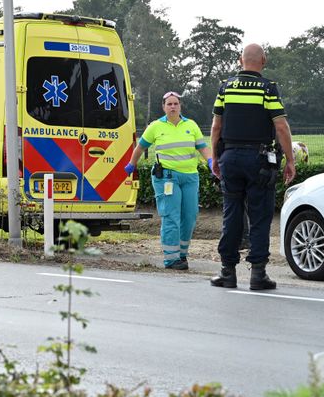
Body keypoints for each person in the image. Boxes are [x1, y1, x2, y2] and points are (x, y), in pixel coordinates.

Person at [210, 44, 295, 290]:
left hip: (230, 157)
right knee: (259, 216)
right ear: (263, 61)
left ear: (240, 60)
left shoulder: (225, 87)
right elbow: (280, 126)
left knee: (231, 215)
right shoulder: (268, 89)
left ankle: (228, 272)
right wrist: (290, 160)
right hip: (258, 160)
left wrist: (215, 157)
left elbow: (216, 126)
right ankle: (258, 275)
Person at [124, 92, 212, 270]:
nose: (173, 107)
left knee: (189, 216)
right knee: (171, 217)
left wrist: (211, 162)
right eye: (169, 104)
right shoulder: (156, 127)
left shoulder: (191, 125)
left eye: (176, 104)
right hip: (167, 178)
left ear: (180, 106)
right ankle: (171, 259)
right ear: (163, 107)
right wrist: (131, 164)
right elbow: (140, 147)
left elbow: (203, 148)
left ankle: (182, 254)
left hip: (190, 177)